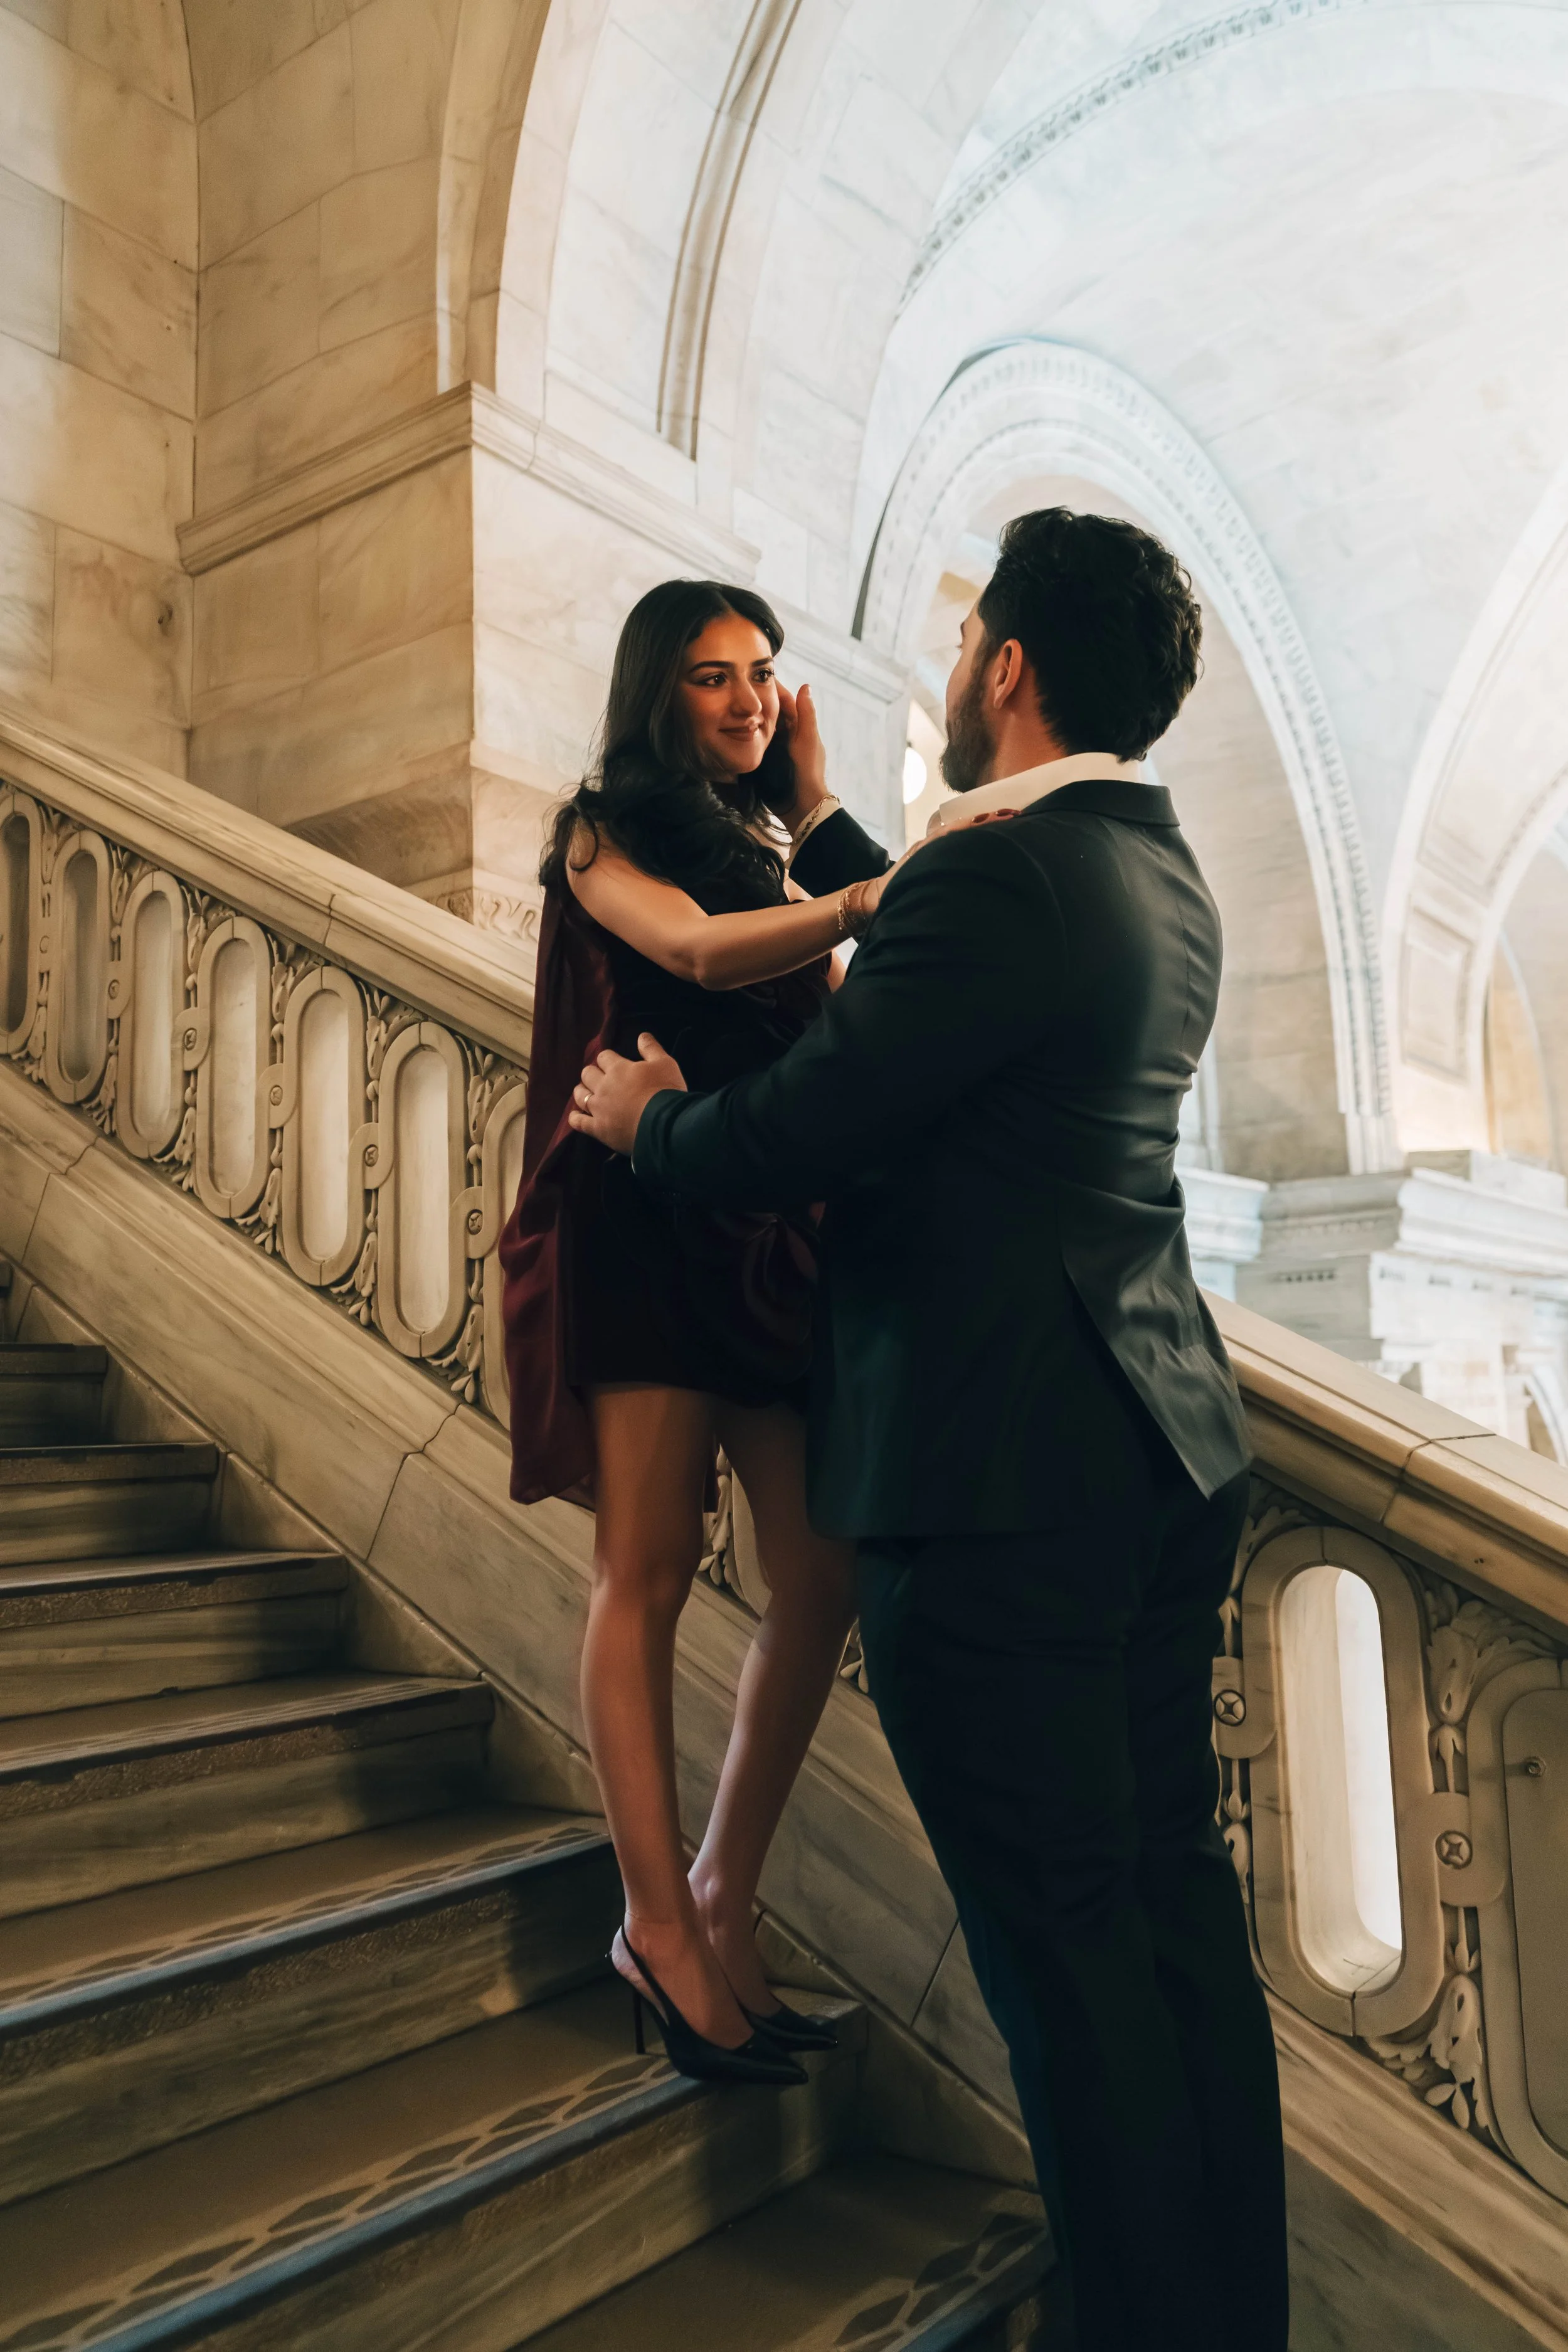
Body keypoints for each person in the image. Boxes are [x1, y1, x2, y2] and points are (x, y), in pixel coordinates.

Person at [566, 511, 1290, 2351]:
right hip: (1155, 1451)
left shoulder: (1005, 875)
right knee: (1169, 1934)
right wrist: (825, 825)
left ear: (1008, 666)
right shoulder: (1151, 867)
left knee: (1069, 1980)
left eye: (966, 639)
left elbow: (813, 1113)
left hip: (1000, 1486)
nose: (951, 665)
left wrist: (651, 1125)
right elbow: (939, 956)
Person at [497, 578, 889, 2089]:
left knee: (820, 1571)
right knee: (645, 1570)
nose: (747, 697)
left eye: (764, 672)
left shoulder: (765, 848)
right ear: (656, 691)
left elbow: (845, 1024)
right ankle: (655, 1924)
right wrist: (848, 903)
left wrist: (818, 821)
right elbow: (698, 952)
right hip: (644, 1225)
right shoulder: (599, 829)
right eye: (713, 675)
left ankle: (722, 1889)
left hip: (763, 1234)